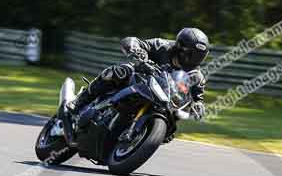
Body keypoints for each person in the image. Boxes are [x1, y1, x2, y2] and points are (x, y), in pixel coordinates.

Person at [67, 28, 210, 121]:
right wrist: (138, 54)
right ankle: (80, 100)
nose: (194, 59)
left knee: (172, 122)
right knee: (120, 71)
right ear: (180, 48)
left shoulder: (196, 76)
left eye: (199, 56)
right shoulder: (163, 46)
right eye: (192, 54)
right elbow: (132, 42)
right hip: (140, 82)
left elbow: (198, 96)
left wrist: (198, 105)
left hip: (163, 100)